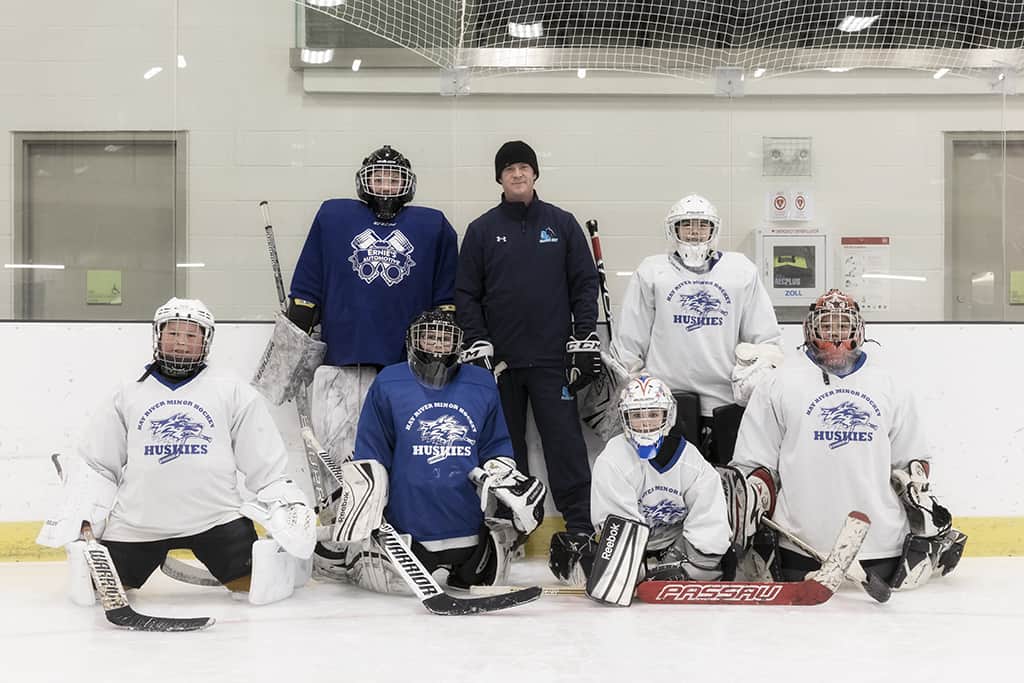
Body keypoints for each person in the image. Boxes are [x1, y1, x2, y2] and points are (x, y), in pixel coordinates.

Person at [37, 297, 315, 606]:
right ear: (158, 336)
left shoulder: (231, 391)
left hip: (217, 520)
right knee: (96, 590)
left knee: (254, 588)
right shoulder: (128, 392)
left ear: (205, 341)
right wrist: (85, 513)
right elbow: (100, 465)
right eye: (173, 334)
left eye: (191, 335)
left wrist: (285, 504)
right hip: (138, 525)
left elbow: (267, 467)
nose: (181, 343)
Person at [725, 288, 967, 589]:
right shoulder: (779, 383)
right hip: (798, 544)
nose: (835, 334)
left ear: (858, 329)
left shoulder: (890, 385)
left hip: (881, 545)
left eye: (843, 325)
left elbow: (911, 459)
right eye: (827, 325)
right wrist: (755, 496)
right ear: (810, 329)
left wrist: (913, 488)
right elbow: (753, 461)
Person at [254, 144, 459, 472]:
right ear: (365, 182)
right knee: (342, 449)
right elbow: (309, 283)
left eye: (394, 180)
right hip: (346, 357)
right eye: (379, 178)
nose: (386, 186)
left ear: (408, 185)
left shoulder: (432, 225)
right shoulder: (335, 217)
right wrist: (295, 334)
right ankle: (346, 514)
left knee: (402, 447)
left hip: (405, 363)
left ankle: (395, 516)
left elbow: (445, 298)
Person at [312, 307, 547, 593]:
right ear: (414, 342)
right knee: (390, 587)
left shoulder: (481, 384)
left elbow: (494, 445)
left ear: (457, 345)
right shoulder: (389, 382)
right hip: (407, 535)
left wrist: (508, 482)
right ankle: (340, 553)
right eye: (430, 337)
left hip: (468, 534)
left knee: (483, 576)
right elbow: (372, 451)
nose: (437, 344)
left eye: (445, 338)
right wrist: (366, 494)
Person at [455, 140, 601, 578]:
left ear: (535, 174)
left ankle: (579, 528)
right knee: (504, 452)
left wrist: (583, 337)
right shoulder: (481, 230)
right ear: (498, 178)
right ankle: (506, 532)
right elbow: (466, 293)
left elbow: (583, 283)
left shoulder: (562, 224)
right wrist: (478, 340)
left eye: (524, 167)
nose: (517, 174)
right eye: (509, 169)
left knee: (565, 447)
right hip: (501, 365)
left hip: (553, 360)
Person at [610, 193, 783, 465]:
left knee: (725, 482)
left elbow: (765, 341)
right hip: (665, 401)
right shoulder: (653, 271)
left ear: (714, 229)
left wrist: (753, 379)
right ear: (673, 228)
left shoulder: (740, 271)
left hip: (725, 402)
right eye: (686, 224)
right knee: (670, 483)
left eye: (702, 225)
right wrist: (634, 385)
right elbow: (630, 337)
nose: (694, 231)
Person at [550, 375, 731, 586]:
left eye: (653, 414)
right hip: (635, 549)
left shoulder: (690, 460)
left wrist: (693, 556)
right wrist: (631, 566)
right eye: (636, 415)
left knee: (712, 558)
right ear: (624, 417)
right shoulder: (613, 459)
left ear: (669, 415)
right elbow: (614, 522)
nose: (645, 423)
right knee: (598, 565)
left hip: (678, 547)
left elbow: (708, 515)